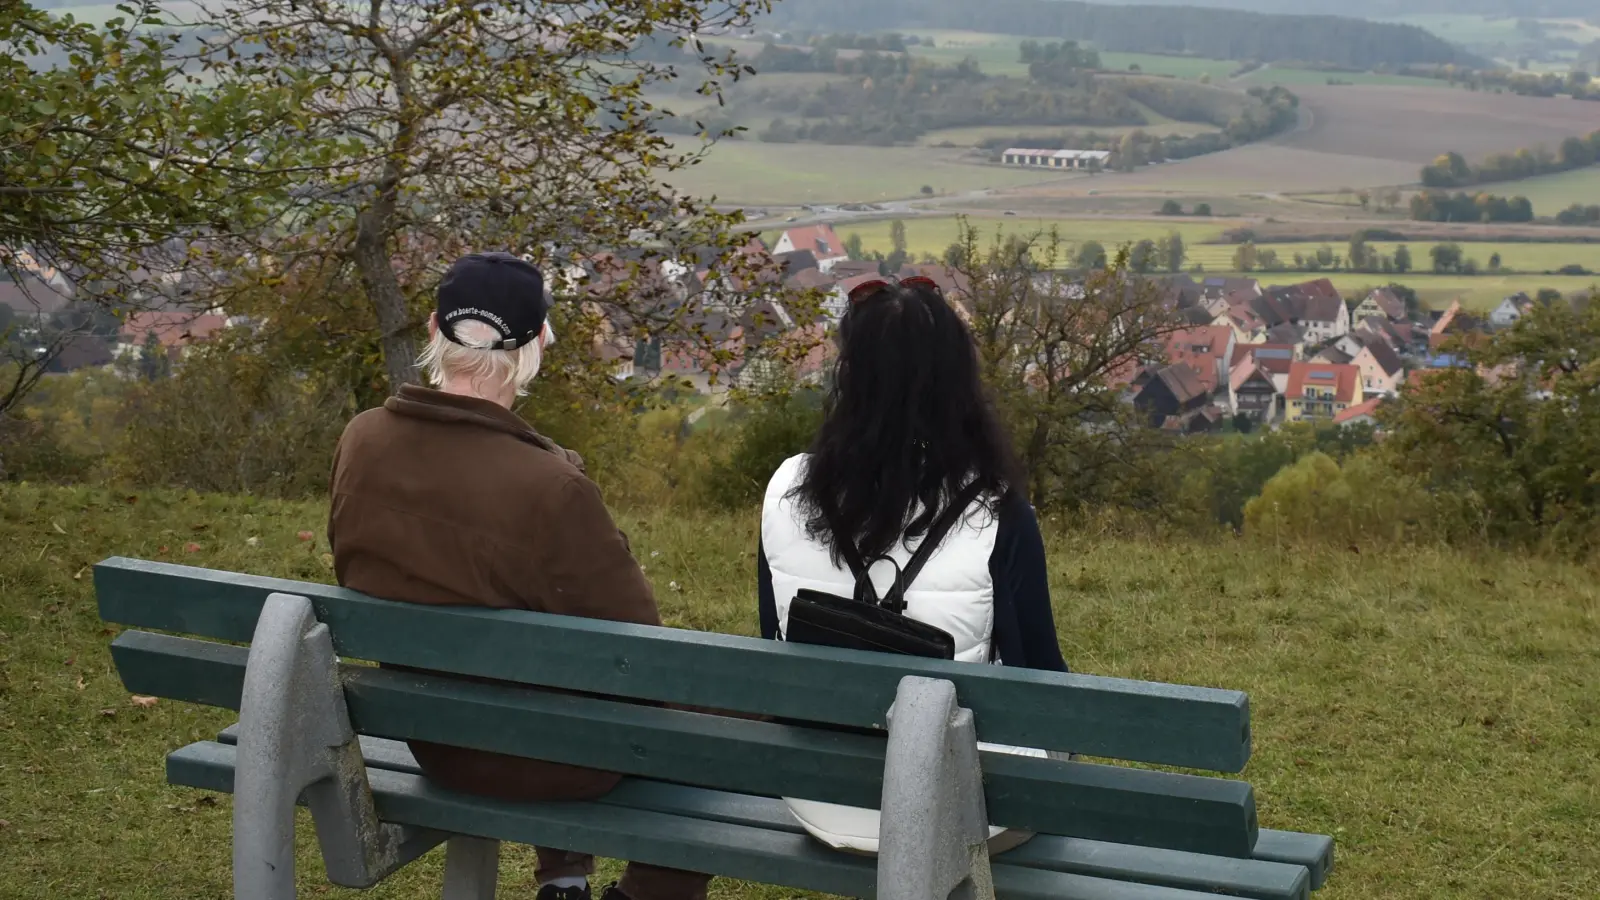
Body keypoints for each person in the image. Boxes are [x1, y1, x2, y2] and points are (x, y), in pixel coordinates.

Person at [328, 252, 709, 900]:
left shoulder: (360, 442)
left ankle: (564, 879)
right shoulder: (550, 487)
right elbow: (640, 651)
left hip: (434, 741)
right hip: (548, 759)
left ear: (434, 329)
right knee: (724, 717)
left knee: (539, 659)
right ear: (538, 343)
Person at [757, 276, 1069, 855]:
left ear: (850, 376)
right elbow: (1045, 687)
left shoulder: (785, 490)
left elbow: (771, 639)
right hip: (962, 815)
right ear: (958, 383)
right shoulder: (998, 512)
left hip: (818, 798)